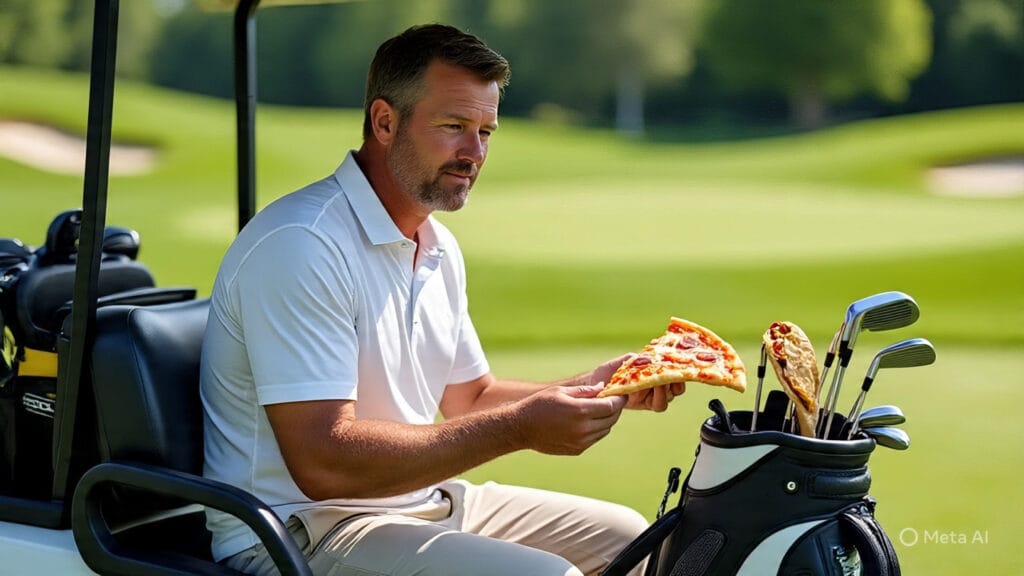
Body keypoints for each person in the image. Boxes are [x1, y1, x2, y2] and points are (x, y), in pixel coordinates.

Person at [200, 23, 685, 576]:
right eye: (453, 126)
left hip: (417, 503)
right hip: (300, 532)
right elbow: (323, 463)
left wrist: (599, 383)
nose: (473, 152)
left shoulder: (436, 245)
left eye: (485, 131)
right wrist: (522, 428)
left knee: (636, 540)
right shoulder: (301, 245)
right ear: (385, 122)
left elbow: (471, 398)